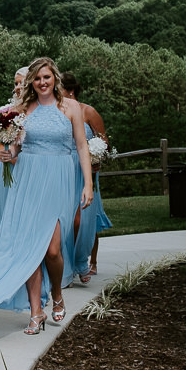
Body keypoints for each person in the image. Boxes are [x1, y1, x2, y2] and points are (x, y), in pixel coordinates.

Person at [0, 57, 93, 334]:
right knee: (30, 247)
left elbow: (81, 147)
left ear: (55, 79)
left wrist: (87, 184)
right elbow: (15, 147)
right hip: (27, 179)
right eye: (38, 78)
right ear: (32, 81)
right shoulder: (22, 109)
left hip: (59, 179)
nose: (42, 83)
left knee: (53, 249)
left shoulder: (71, 108)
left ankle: (56, 293)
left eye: (47, 77)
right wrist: (7, 153)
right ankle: (36, 311)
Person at [61, 72, 113, 282]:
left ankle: (89, 262)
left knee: (86, 218)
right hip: (65, 169)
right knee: (67, 220)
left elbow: (104, 142)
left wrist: (95, 155)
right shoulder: (58, 111)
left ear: (70, 91)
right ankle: (70, 263)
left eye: (60, 89)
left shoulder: (88, 111)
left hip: (86, 169)